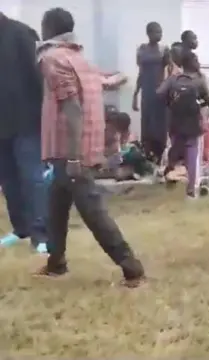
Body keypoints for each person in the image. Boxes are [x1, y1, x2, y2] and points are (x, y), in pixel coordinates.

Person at [35, 7, 145, 286]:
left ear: (47, 29)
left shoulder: (51, 59)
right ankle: (56, 262)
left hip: (70, 151)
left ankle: (131, 268)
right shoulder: (79, 59)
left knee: (93, 212)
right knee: (56, 207)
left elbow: (72, 109)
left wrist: (73, 156)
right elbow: (105, 83)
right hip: (79, 148)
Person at [0, 11, 48, 253]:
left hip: (26, 120)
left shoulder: (21, 34)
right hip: (1, 124)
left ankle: (41, 234)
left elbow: (38, 79)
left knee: (32, 178)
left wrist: (44, 116)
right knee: (8, 180)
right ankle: (21, 229)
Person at [157, 50, 209, 199]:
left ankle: (168, 175)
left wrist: (170, 104)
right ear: (192, 63)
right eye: (197, 60)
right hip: (194, 125)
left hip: (175, 124)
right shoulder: (198, 81)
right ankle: (192, 190)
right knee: (193, 157)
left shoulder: (173, 79)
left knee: (174, 151)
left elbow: (159, 94)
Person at [132, 22, 170, 165]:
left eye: (160, 32)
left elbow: (171, 71)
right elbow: (141, 73)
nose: (159, 35)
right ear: (148, 33)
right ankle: (148, 158)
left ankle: (160, 158)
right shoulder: (142, 50)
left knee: (160, 126)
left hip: (160, 93)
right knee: (147, 125)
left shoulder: (164, 50)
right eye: (156, 32)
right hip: (147, 93)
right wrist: (135, 94)